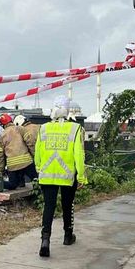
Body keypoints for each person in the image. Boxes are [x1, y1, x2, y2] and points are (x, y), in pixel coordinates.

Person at [35, 96, 87, 257]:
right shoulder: (75, 128)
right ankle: (67, 235)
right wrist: (82, 177)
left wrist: (39, 168)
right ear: (69, 110)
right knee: (67, 205)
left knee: (48, 207)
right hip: (67, 175)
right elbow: (79, 154)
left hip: (47, 175)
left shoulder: (43, 128)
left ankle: (45, 240)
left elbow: (37, 154)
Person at [0, 114, 38, 190]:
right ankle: (39, 198)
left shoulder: (1, 136)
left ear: (2, 125)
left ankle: (2, 184)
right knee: (36, 181)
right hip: (26, 162)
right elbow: (30, 143)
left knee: (13, 185)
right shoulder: (20, 129)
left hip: (12, 166)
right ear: (11, 121)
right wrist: (34, 155)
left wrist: (1, 171)